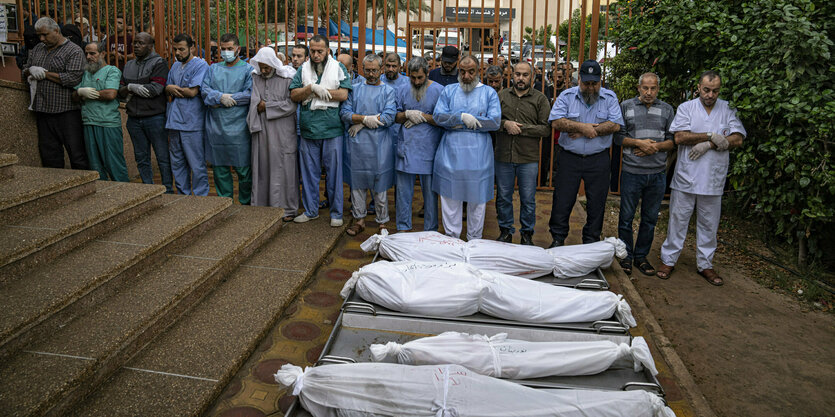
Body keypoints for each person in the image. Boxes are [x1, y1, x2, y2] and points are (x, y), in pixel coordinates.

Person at [657, 71, 746, 286]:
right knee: (678, 221)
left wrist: (711, 144)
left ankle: (705, 264)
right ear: (699, 87)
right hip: (687, 176)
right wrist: (709, 135)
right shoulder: (687, 108)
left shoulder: (727, 108)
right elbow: (680, 137)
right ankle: (669, 260)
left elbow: (738, 138)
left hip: (713, 178)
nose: (710, 95)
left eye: (715, 91)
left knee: (709, 224)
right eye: (706, 90)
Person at [547, 60, 623, 248]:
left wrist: (584, 131)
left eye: (594, 84)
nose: (590, 88)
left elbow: (615, 124)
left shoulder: (610, 98)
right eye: (586, 83)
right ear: (579, 79)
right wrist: (583, 126)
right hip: (569, 159)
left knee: (597, 202)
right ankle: (558, 239)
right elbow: (556, 122)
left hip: (598, 160)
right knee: (562, 200)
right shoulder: (566, 96)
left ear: (600, 81)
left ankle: (590, 241)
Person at [432, 55, 501, 240]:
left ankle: (474, 241)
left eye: (471, 71)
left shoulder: (489, 93)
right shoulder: (449, 91)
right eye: (462, 71)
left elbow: (494, 121)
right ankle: (452, 240)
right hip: (450, 156)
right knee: (450, 199)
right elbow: (438, 117)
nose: (466, 76)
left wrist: (461, 122)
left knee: (477, 201)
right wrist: (460, 117)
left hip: (478, 158)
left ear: (478, 71)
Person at [613, 73, 675, 276]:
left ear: (658, 89)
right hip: (632, 172)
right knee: (626, 217)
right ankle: (626, 257)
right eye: (645, 88)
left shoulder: (667, 109)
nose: (649, 92)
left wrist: (655, 147)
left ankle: (641, 257)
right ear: (638, 88)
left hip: (657, 174)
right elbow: (618, 137)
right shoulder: (625, 106)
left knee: (649, 219)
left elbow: (673, 140)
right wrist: (638, 143)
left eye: (653, 88)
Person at [289, 34, 352, 226]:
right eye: (313, 51)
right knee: (309, 173)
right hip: (309, 130)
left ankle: (336, 213)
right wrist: (311, 88)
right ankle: (310, 210)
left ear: (327, 51)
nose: (316, 55)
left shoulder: (338, 68)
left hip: (332, 129)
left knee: (334, 174)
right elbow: (294, 95)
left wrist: (325, 93)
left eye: (320, 51)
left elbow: (343, 94)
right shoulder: (303, 69)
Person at [495, 62, 552, 245]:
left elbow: (546, 129)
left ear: (532, 77)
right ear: (512, 76)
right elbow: (491, 120)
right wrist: (505, 124)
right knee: (503, 196)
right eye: (517, 74)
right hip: (504, 155)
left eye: (525, 75)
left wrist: (521, 128)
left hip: (528, 158)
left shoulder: (540, 99)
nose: (521, 78)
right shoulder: (501, 95)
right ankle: (505, 231)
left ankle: (527, 234)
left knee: (528, 199)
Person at [340, 55, 397, 235]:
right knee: (357, 184)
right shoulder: (354, 89)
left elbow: (389, 117)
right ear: (362, 68)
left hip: (380, 145)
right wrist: (365, 118)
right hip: (357, 145)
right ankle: (359, 220)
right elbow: (344, 113)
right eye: (368, 70)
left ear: (381, 70)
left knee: (379, 185)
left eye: (374, 70)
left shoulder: (388, 91)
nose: (371, 74)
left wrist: (363, 122)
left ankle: (382, 221)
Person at [23, 17, 88, 170]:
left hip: (66, 111)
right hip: (43, 110)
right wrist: (29, 70)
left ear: (56, 31)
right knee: (49, 155)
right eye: (39, 35)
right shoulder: (38, 48)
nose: (41, 38)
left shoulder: (73, 51)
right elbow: (25, 68)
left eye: (45, 34)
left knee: (76, 154)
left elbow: (72, 78)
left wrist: (45, 74)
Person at [247, 47, 300, 218]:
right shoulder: (255, 77)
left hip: (283, 131)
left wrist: (267, 106)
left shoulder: (288, 78)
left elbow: (291, 105)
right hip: (262, 130)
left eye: (266, 67)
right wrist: (261, 105)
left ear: (273, 64)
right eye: (261, 67)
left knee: (284, 168)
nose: (263, 70)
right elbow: (255, 100)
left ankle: (287, 209)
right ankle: (262, 207)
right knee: (262, 167)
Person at [393, 56, 444, 232]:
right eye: (412, 78)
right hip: (406, 147)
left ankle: (430, 231)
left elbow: (443, 119)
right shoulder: (401, 90)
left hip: (428, 148)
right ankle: (403, 228)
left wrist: (423, 117)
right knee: (403, 193)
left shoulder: (439, 91)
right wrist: (407, 114)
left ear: (427, 74)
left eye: (420, 78)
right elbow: (394, 116)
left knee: (430, 195)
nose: (416, 81)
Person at [202, 33, 253, 204]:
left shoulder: (248, 70)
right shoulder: (213, 69)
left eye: (230, 49)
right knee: (220, 170)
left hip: (240, 128)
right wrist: (220, 97)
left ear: (238, 49)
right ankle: (225, 204)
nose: (226, 52)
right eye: (223, 49)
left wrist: (230, 99)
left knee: (244, 171)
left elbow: (250, 93)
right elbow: (205, 91)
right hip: (217, 127)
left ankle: (245, 204)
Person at [119, 32, 172, 193]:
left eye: (141, 43)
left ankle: (168, 190)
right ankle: (148, 190)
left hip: (154, 117)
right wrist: (130, 88)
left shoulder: (159, 63)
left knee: (162, 157)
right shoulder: (129, 65)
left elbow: (155, 90)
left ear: (150, 46)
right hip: (134, 118)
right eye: (134, 42)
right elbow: (120, 90)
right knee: (141, 158)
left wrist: (131, 88)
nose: (136, 46)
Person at [73, 41, 128, 181]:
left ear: (103, 54)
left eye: (93, 53)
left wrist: (91, 94)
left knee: (114, 163)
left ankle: (125, 193)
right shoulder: (86, 73)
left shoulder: (112, 71)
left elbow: (110, 94)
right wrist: (80, 91)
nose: (89, 56)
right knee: (95, 166)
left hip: (107, 123)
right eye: (86, 53)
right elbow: (74, 96)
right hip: (89, 122)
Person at [165, 33, 210, 196]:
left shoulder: (200, 65)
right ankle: (183, 196)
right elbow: (168, 87)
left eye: (181, 49)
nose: (177, 53)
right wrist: (170, 88)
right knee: (177, 163)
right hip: (174, 121)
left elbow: (192, 92)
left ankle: (201, 198)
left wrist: (171, 89)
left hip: (192, 123)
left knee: (196, 163)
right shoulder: (175, 66)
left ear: (192, 48)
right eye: (175, 49)